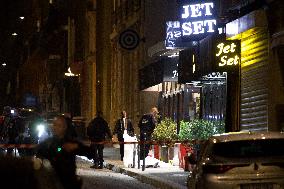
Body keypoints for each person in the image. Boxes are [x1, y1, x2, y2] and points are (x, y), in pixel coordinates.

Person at [36, 115, 91, 189]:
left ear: (65, 127)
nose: (55, 128)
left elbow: (90, 153)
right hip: (51, 182)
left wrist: (77, 146)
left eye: (59, 125)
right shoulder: (46, 143)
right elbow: (40, 156)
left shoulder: (71, 142)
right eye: (54, 125)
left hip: (68, 182)